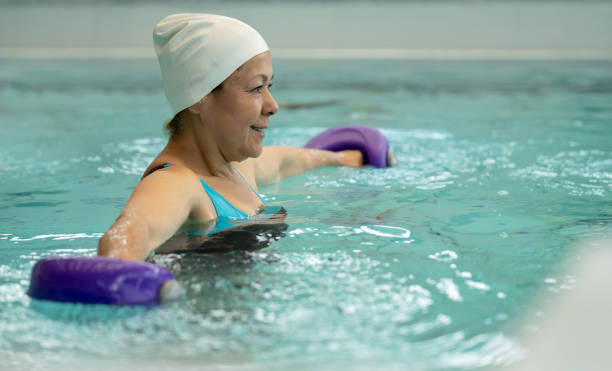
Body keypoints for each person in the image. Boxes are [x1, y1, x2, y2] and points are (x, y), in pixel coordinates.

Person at [97, 13, 363, 261]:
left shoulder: (235, 166)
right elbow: (131, 231)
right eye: (256, 88)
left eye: (269, 86)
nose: (273, 105)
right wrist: (118, 265)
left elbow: (285, 161)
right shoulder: (176, 184)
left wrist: (342, 157)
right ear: (198, 98)